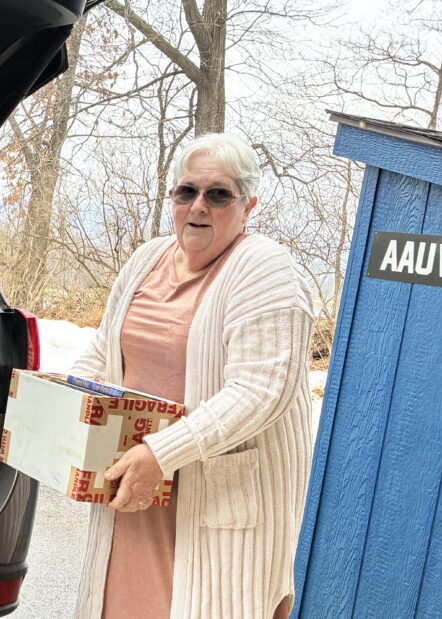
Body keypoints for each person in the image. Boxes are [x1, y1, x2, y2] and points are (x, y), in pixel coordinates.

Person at [70, 132, 314, 619]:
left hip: (212, 498)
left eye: (218, 194)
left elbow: (261, 391)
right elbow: (103, 352)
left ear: (248, 206)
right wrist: (66, 408)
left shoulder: (266, 270)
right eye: (187, 191)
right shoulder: (147, 258)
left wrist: (161, 454)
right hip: (136, 485)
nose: (199, 206)